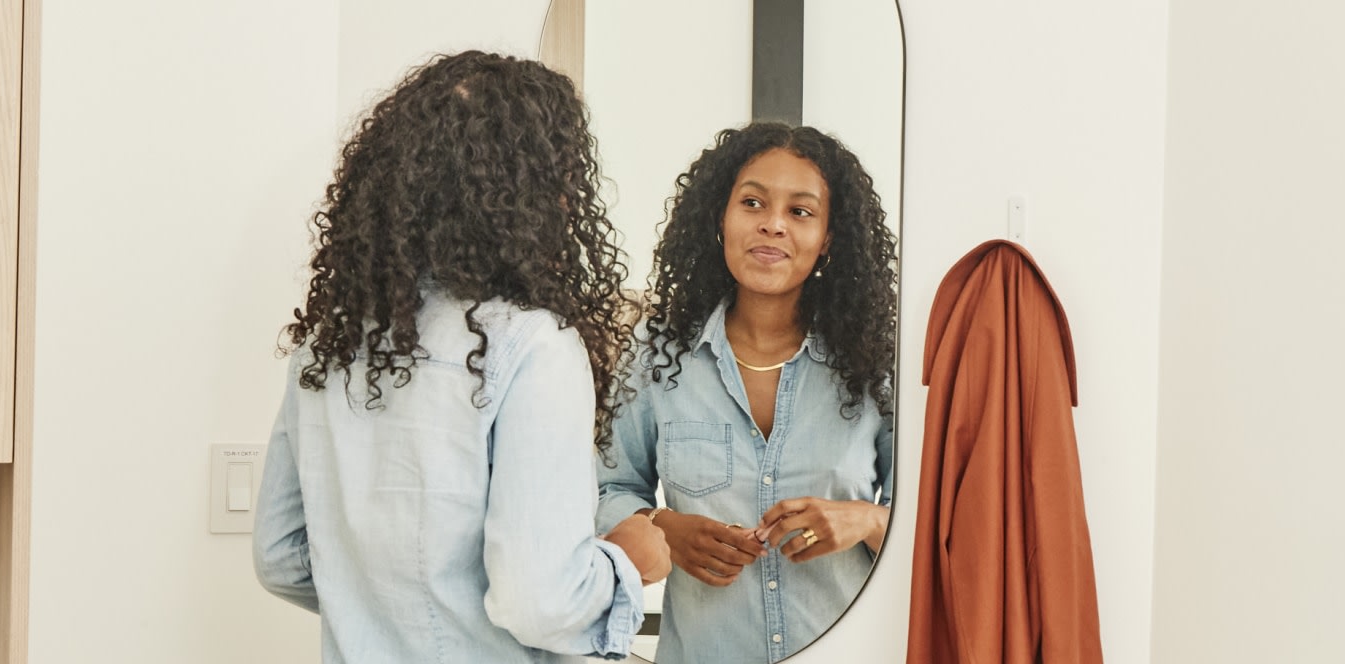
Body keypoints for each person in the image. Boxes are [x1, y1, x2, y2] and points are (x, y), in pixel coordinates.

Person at [252, 50, 669, 663]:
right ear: (533, 193)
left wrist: (381, 608)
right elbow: (539, 603)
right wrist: (627, 560)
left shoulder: (332, 342)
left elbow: (282, 557)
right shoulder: (532, 346)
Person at [596, 123, 899, 662]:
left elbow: (938, 524)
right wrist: (662, 526)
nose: (773, 226)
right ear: (721, 216)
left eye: (800, 212)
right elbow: (604, 489)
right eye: (753, 203)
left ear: (828, 237)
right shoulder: (657, 352)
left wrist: (867, 520)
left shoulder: (877, 362)